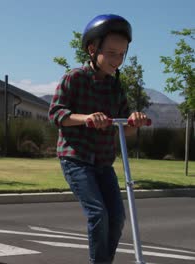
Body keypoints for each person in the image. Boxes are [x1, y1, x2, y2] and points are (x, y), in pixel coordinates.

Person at [48, 14, 148, 264]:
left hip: (103, 162)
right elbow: (56, 114)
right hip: (76, 159)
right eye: (112, 53)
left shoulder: (116, 88)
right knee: (98, 214)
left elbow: (125, 130)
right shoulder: (74, 78)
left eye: (122, 54)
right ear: (93, 49)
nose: (117, 60)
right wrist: (87, 118)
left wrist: (134, 121)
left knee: (117, 217)